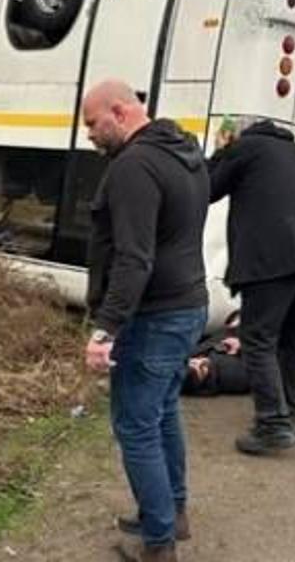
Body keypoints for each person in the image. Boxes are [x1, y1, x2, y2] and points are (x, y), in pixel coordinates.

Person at [80, 80, 209, 562]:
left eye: (94, 124)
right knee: (163, 411)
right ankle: (171, 513)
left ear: (119, 111)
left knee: (135, 425)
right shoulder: (185, 153)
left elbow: (135, 258)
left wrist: (105, 330)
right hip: (188, 304)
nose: (90, 134)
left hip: (156, 315)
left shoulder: (134, 166)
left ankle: (159, 544)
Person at [208, 115, 295, 455]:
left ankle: (272, 424)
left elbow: (207, 188)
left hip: (270, 262)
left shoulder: (246, 148)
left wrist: (221, 152)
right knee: (294, 342)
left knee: (257, 340)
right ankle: (289, 416)